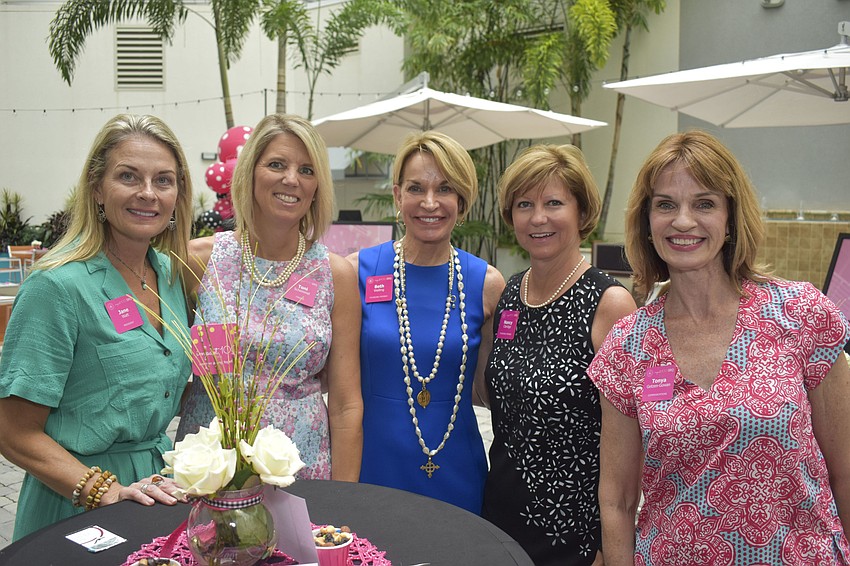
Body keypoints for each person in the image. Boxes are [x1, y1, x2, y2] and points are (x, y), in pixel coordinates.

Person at [587, 130, 850, 565]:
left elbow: (846, 472)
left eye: (704, 203)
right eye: (665, 204)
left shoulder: (802, 314)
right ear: (646, 222)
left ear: (730, 218)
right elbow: (616, 499)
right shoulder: (627, 346)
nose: (683, 221)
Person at [0, 114, 194, 540]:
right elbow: (13, 432)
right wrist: (104, 492)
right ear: (96, 189)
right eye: (128, 176)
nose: (148, 193)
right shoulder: (56, 286)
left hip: (157, 493)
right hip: (74, 502)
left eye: (163, 180)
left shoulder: (171, 274)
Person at [176, 113, 363, 482]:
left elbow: (345, 405)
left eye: (307, 170)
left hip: (302, 465)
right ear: (250, 173)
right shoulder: (197, 260)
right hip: (211, 467)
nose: (291, 179)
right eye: (276, 164)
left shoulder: (335, 275)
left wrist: (345, 501)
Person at [475, 144, 636, 565]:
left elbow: (636, 440)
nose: (538, 217)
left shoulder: (610, 304)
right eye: (525, 204)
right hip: (500, 519)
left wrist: (609, 544)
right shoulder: (510, 294)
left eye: (554, 203)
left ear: (582, 213)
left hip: (576, 535)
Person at [347, 131, 504, 514]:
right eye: (417, 188)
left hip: (457, 469)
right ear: (398, 196)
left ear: (461, 200)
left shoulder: (487, 284)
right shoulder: (356, 272)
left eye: (445, 188)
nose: (430, 202)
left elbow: (489, 390)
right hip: (374, 468)